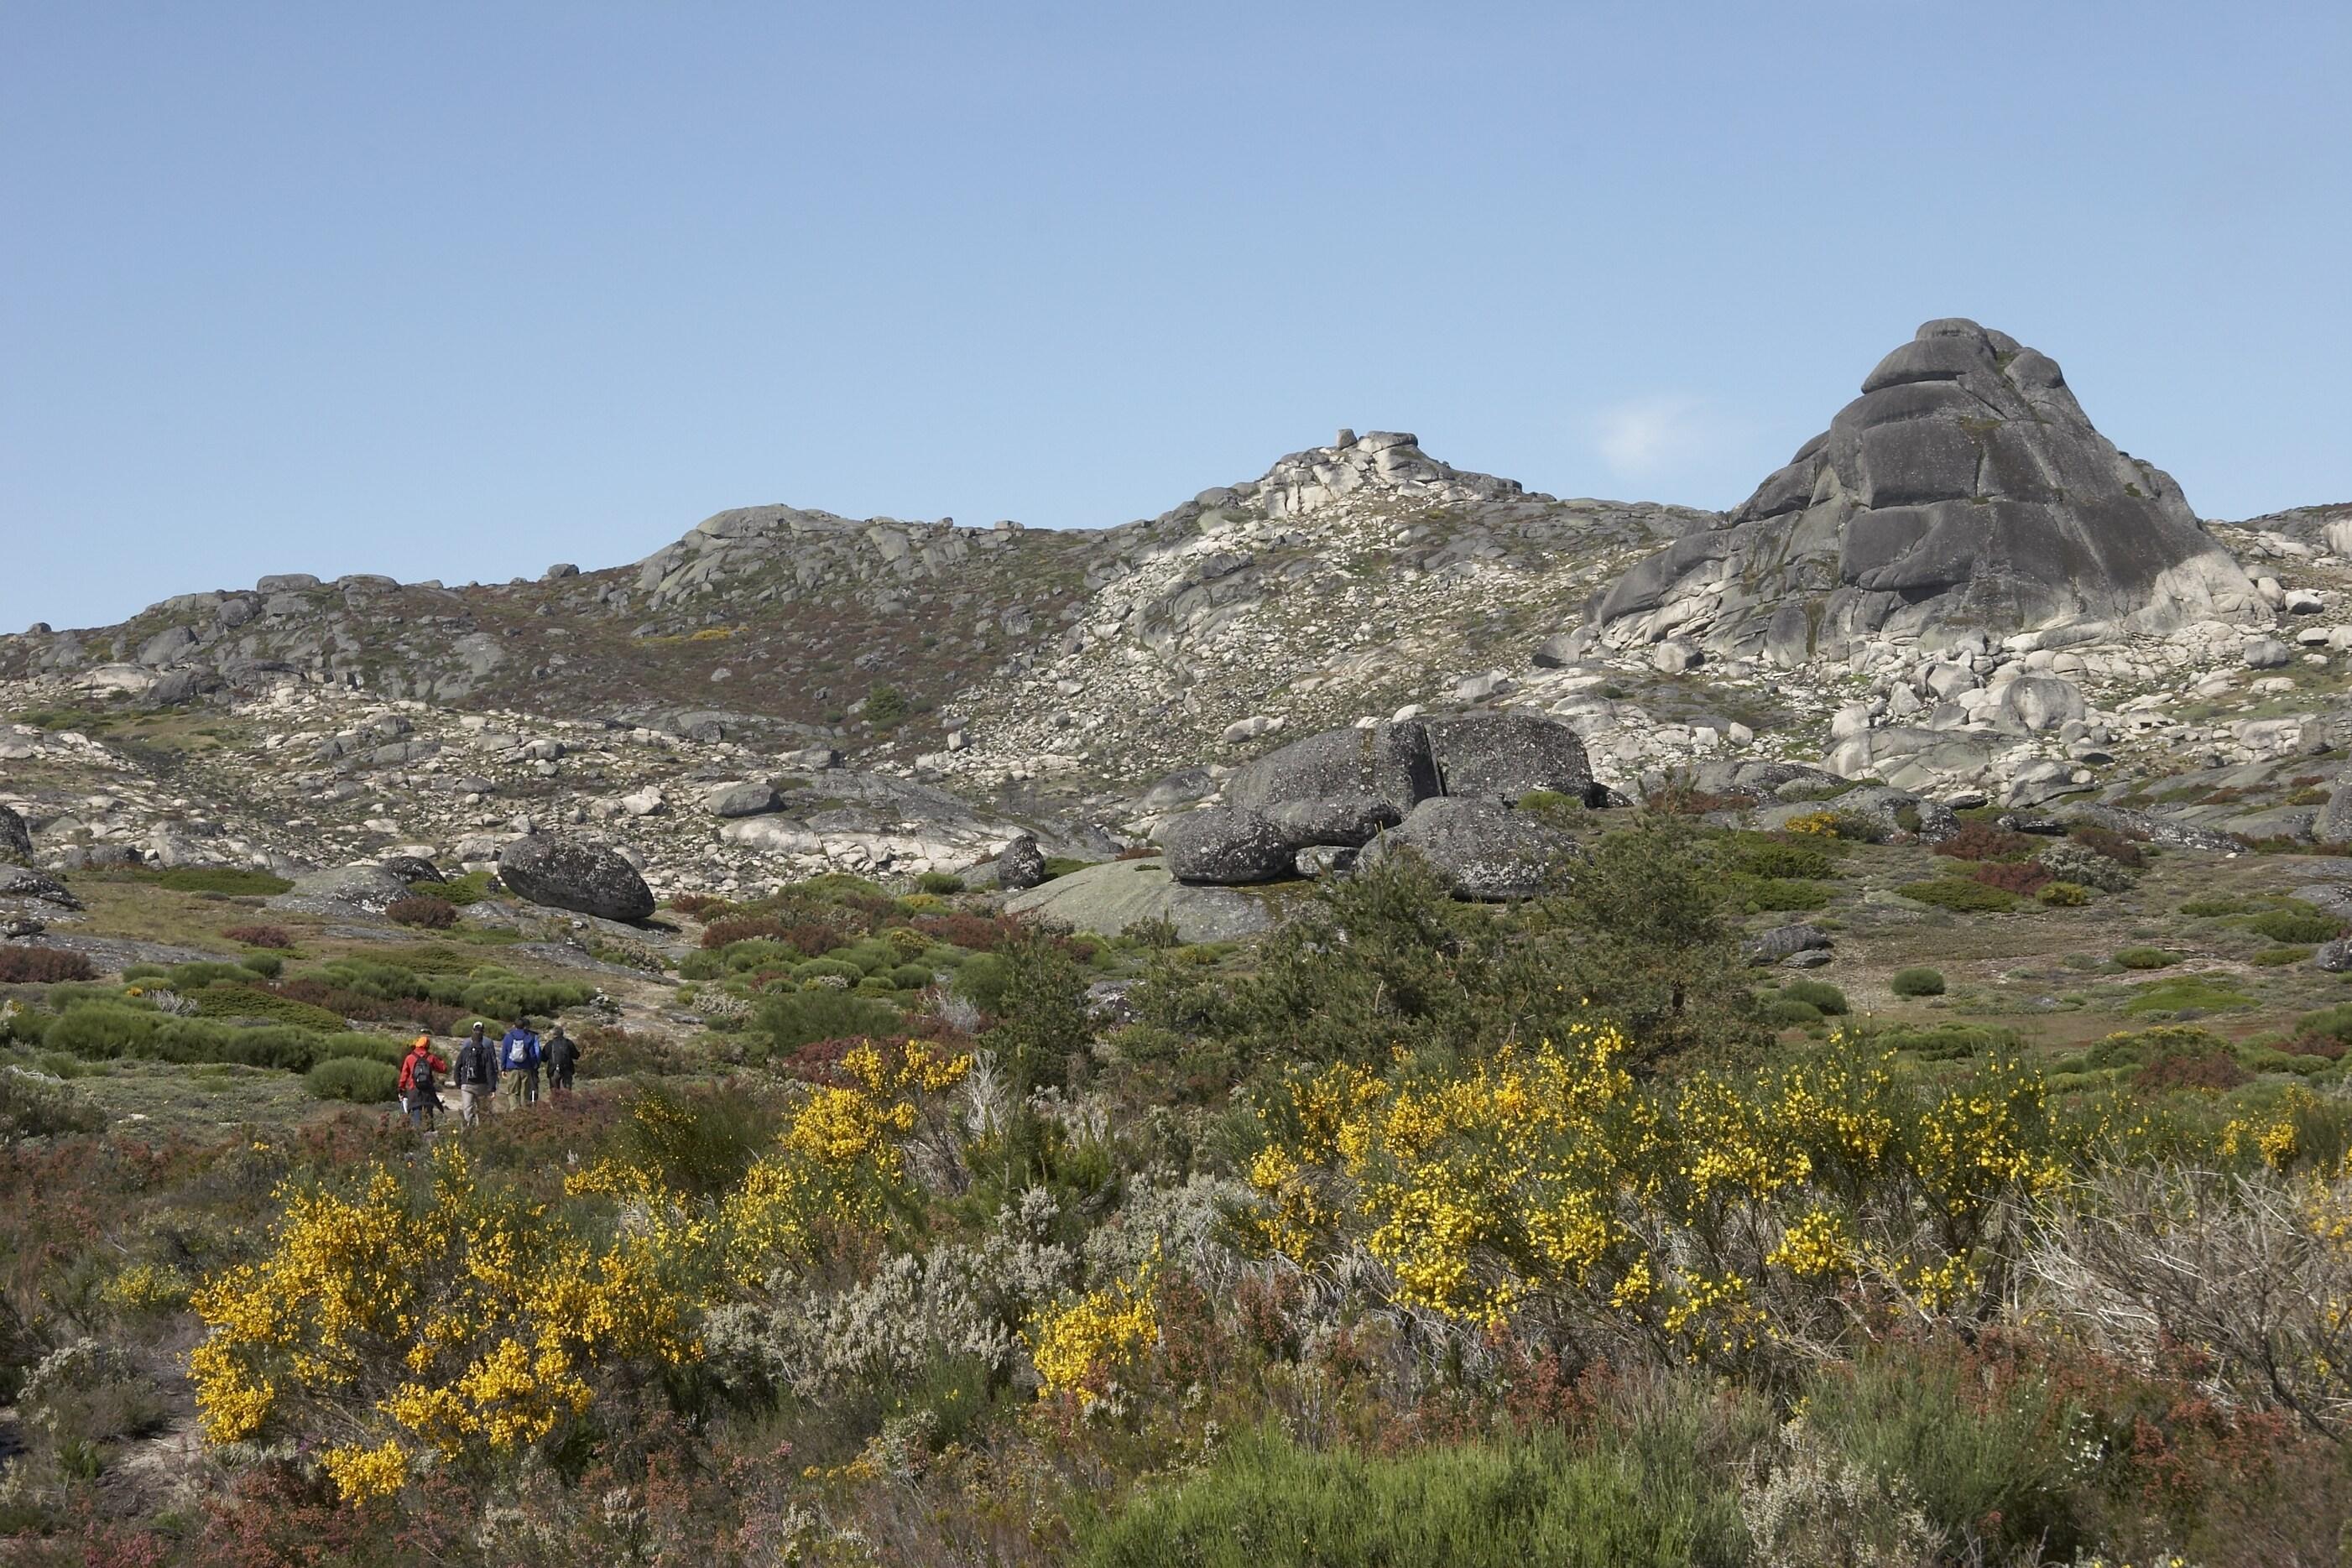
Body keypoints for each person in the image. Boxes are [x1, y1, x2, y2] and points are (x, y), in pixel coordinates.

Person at [398, 1034, 448, 1133]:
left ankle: (418, 1137)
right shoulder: (431, 1057)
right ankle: (429, 1136)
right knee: (428, 1116)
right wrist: (441, 1060)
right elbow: (443, 1068)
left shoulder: (409, 1058)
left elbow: (404, 1075)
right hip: (428, 1091)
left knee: (417, 1115)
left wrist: (401, 1089)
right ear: (427, 1046)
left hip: (414, 1091)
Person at [453, 1022, 497, 1128]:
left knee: (467, 1110)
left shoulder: (465, 1051)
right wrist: (492, 1088)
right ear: (482, 1039)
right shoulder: (486, 1052)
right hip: (482, 1085)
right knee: (482, 1111)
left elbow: (457, 1067)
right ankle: (481, 1132)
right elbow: (490, 1071)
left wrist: (459, 1082)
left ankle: (466, 1132)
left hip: (467, 1084)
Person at [498, 1016, 541, 1111]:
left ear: (514, 1025)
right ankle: (524, 1111)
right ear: (524, 1026)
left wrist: (503, 1068)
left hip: (512, 1067)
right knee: (525, 1092)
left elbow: (504, 1053)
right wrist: (534, 1066)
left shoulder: (508, 1037)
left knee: (513, 1091)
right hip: (526, 1068)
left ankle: (514, 1110)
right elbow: (533, 1054)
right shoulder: (529, 1037)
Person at [543, 1024, 579, 1095]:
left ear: (553, 1034)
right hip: (567, 1070)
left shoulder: (550, 1044)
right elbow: (576, 1056)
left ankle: (555, 1105)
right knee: (567, 1092)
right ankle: (567, 1105)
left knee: (555, 1093)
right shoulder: (568, 1043)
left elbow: (543, 1058)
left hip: (553, 1070)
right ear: (562, 1033)